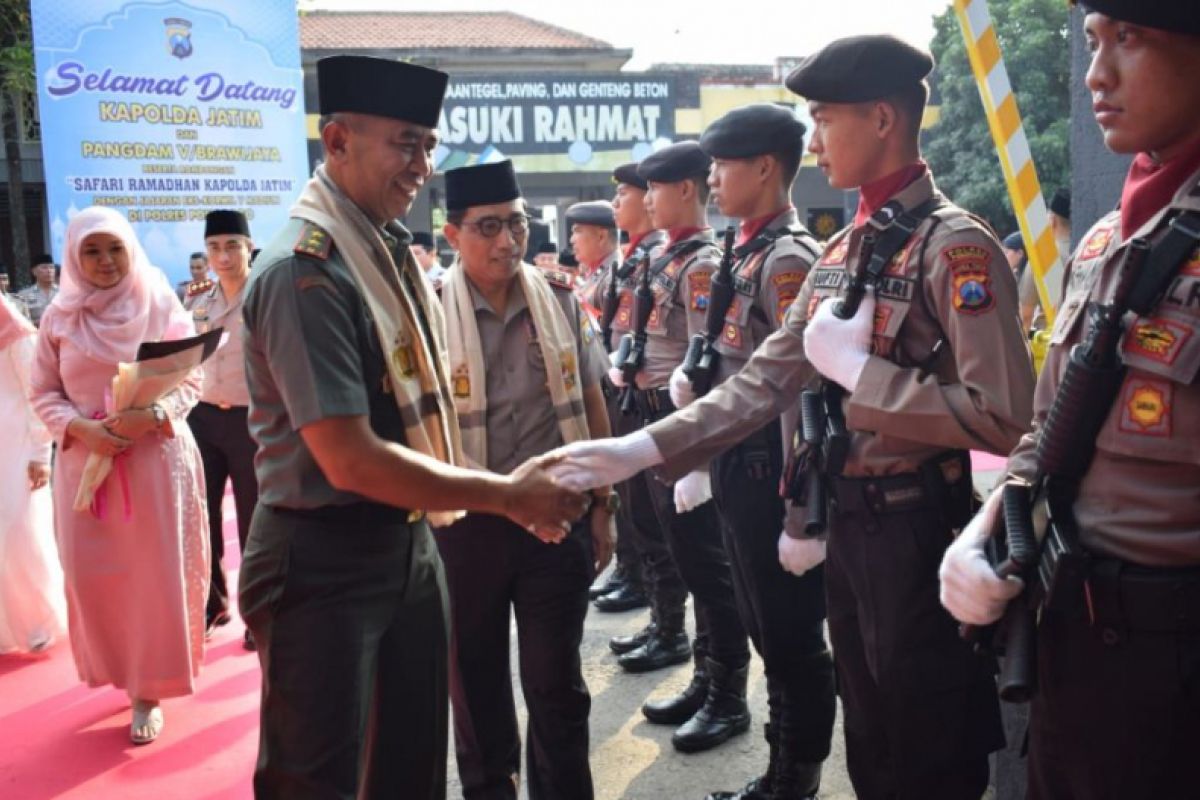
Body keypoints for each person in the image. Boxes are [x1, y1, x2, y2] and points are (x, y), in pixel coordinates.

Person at [550, 34, 1034, 799]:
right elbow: (765, 379)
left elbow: (1005, 417)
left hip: (915, 527)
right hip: (847, 523)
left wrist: (861, 375)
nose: (813, 139)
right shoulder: (843, 250)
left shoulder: (955, 248)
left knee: (929, 743)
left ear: (881, 118)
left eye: (825, 117)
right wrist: (643, 447)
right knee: (869, 735)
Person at [238, 55, 587, 800]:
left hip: (408, 540)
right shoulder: (309, 273)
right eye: (405, 142)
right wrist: (508, 495)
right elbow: (351, 458)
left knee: (411, 768)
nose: (422, 165)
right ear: (336, 141)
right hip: (321, 559)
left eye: (428, 144)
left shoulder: (385, 251)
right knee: (317, 778)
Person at [940, 4, 1200, 796]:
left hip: (1172, 650)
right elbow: (1050, 423)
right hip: (1069, 622)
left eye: (1131, 40)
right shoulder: (1105, 241)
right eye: (1092, 41)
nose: (1097, 74)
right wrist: (988, 524)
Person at [437, 159, 612, 800]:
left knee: (555, 683)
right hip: (466, 524)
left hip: (555, 519)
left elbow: (593, 402)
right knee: (475, 682)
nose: (509, 241)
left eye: (517, 224)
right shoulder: (428, 314)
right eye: (489, 227)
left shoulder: (561, 301)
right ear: (453, 235)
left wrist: (604, 504)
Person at [685, 103, 834, 800]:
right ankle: (779, 770)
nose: (711, 178)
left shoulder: (787, 258)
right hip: (737, 466)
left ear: (766, 168)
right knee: (760, 624)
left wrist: (798, 505)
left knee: (790, 636)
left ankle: (794, 779)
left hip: (771, 473)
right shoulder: (747, 248)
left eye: (723, 165)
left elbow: (801, 390)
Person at [30, 206, 208, 745]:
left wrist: (153, 415)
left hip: (153, 462)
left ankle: (146, 688)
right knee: (95, 577)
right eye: (92, 251)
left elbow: (191, 372)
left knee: (151, 581)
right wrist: (82, 429)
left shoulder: (157, 300)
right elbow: (43, 393)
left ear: (131, 250)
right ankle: (115, 669)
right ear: (74, 257)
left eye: (115, 249)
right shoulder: (58, 317)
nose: (106, 262)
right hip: (86, 469)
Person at [609, 141, 753, 753]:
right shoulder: (663, 259)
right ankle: (704, 675)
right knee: (680, 554)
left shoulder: (699, 265)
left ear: (686, 190)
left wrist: (696, 457)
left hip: (682, 428)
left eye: (655, 189)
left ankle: (728, 695)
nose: (644, 200)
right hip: (651, 422)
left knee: (709, 569)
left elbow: (707, 367)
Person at [595, 161, 672, 625]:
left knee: (658, 516)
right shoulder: (633, 258)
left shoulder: (660, 258)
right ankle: (642, 587)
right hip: (624, 390)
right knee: (634, 504)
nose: (616, 203)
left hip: (653, 398)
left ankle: (666, 621)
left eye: (623, 194)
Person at [185, 209, 259, 650]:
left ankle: (259, 611)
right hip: (203, 417)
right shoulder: (197, 297)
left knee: (256, 522)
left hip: (253, 419)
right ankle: (213, 604)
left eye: (232, 245)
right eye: (215, 247)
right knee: (203, 515)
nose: (223, 255)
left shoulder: (266, 293)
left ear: (248, 246)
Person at [0, 293, 65, 655]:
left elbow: (36, 392)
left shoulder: (14, 328)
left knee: (22, 529)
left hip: (18, 448)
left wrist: (41, 453)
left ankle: (39, 621)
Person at [567, 200, 620, 319]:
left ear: (601, 237)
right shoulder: (599, 272)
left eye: (578, 231)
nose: (572, 240)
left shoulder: (613, 277)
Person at [16, 254, 58, 327]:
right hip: (36, 334)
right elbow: (20, 321)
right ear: (34, 271)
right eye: (44, 267)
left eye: (51, 267)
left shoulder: (64, 292)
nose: (49, 271)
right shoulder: (24, 295)